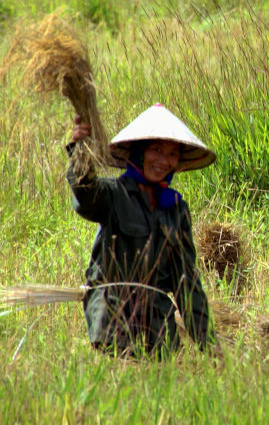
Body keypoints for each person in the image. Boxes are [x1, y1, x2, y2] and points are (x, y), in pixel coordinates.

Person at [68, 103, 217, 357]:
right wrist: (80, 152)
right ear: (138, 152)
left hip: (159, 328)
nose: (163, 161)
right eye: (156, 150)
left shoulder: (176, 209)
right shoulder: (112, 195)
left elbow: (186, 283)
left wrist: (209, 345)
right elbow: (85, 197)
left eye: (171, 154)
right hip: (114, 323)